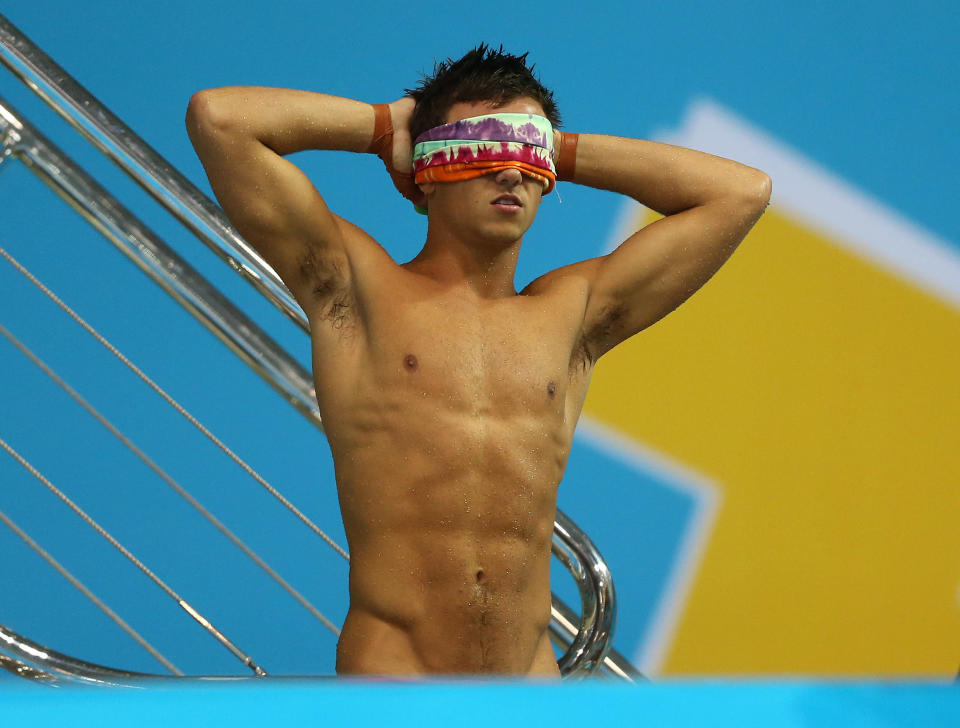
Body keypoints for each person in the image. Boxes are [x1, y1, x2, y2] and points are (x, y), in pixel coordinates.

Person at [185, 45, 770, 678]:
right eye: (482, 146)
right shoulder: (356, 289)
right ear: (429, 166)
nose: (512, 171)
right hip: (395, 680)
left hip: (531, 688)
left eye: (528, 154)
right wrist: (386, 126)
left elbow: (741, 194)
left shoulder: (572, 316)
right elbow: (220, 118)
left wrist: (559, 149)